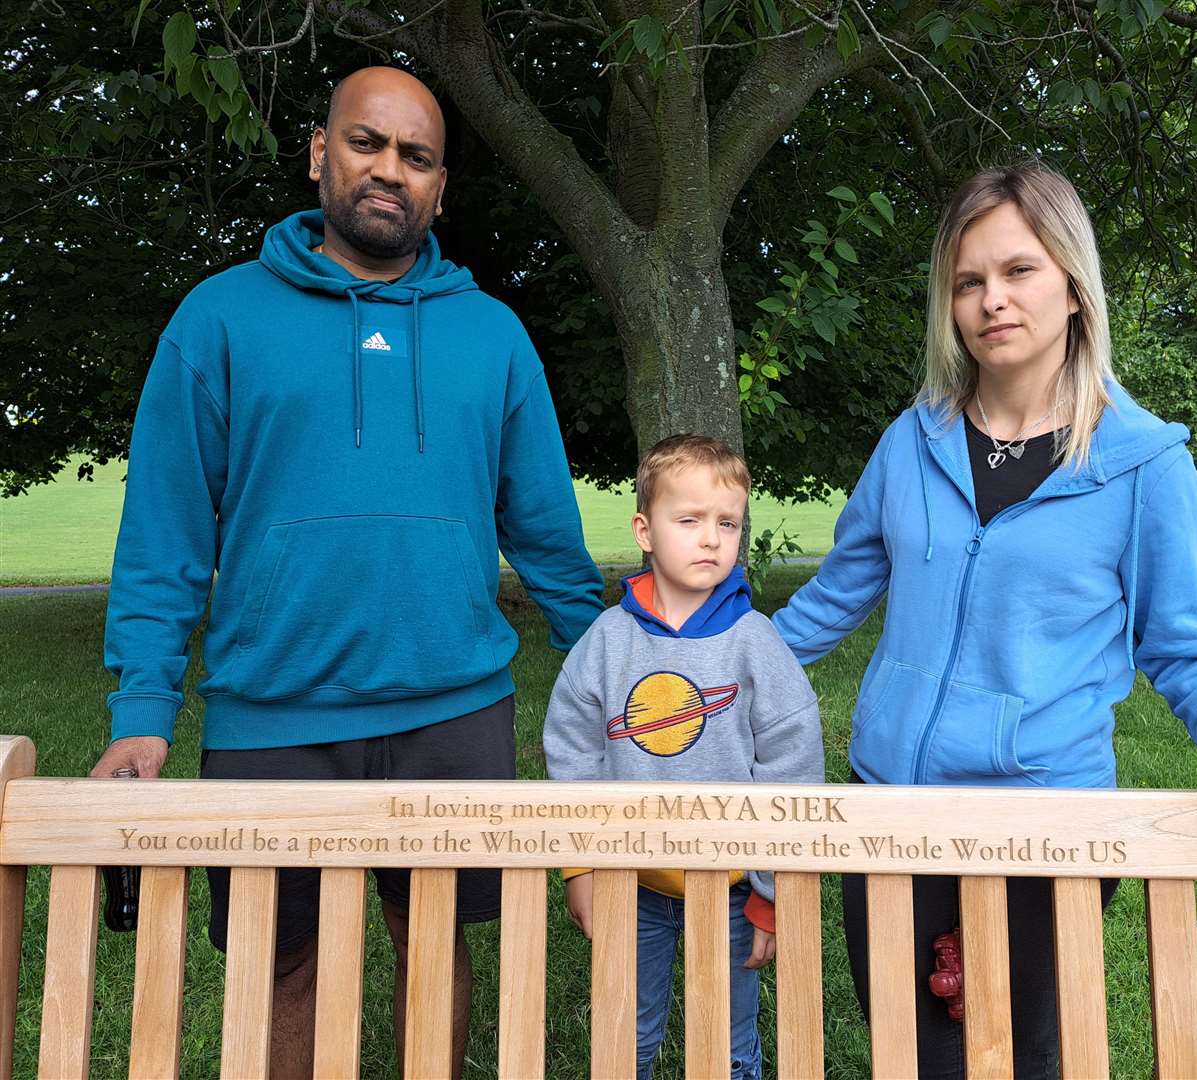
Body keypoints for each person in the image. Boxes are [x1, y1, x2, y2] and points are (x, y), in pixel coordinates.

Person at [771, 164, 1197, 1078]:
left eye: (1019, 271)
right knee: (910, 1059)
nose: (992, 300)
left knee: (1016, 1060)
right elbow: (828, 602)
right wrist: (700, 663)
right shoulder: (908, 442)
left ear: (1074, 288)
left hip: (1044, 831)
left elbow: (1187, 646)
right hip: (883, 811)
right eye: (969, 282)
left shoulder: (1144, 464)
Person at [92, 66, 604, 1079]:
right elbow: (165, 530)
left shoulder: (491, 335)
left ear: (440, 189)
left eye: (416, 158)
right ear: (322, 153)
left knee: (434, 953)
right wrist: (143, 707)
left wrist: (610, 662)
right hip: (274, 709)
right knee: (285, 968)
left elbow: (543, 527)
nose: (389, 171)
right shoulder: (219, 319)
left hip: (453, 707)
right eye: (367, 144)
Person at [543, 435, 824, 1079]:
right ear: (644, 529)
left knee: (729, 1045)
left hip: (729, 888)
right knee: (626, 1042)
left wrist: (772, 893)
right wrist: (581, 867)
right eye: (689, 520)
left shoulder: (755, 642)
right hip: (630, 882)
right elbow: (572, 752)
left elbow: (793, 772)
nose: (710, 539)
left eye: (727, 523)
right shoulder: (608, 640)